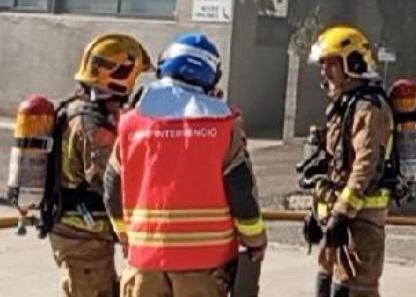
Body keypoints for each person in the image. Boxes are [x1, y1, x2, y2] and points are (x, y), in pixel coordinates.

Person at [104, 33, 267, 297]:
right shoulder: (223, 125)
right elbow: (241, 189)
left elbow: (112, 187)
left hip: (145, 264)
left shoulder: (131, 123)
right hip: (204, 267)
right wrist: (255, 240)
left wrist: (126, 237)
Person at [47, 33, 152, 297]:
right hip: (82, 238)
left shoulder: (83, 110)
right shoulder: (90, 124)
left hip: (88, 235)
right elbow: (109, 181)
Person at [307, 25, 394, 297]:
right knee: (326, 288)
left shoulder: (368, 108)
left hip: (361, 227)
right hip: (339, 224)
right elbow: (334, 167)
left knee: (352, 292)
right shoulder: (345, 104)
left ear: (353, 64)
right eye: (323, 65)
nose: (325, 72)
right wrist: (316, 211)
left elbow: (364, 165)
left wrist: (342, 213)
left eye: (331, 64)